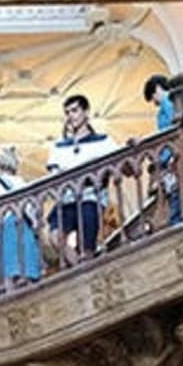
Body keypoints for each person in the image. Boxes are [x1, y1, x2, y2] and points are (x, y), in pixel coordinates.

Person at [44, 95, 119, 265]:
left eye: (75, 110)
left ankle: (85, 265)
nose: (71, 115)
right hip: (66, 199)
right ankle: (81, 268)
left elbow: (119, 165)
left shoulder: (104, 141)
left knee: (87, 245)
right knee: (55, 237)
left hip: (90, 197)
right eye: (67, 112)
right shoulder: (59, 147)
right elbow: (54, 176)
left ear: (86, 112)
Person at [0, 146, 41, 291]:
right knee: (23, 273)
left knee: (5, 275)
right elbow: (30, 211)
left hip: (5, 229)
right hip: (23, 227)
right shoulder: (22, 182)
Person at [142, 76, 183, 225]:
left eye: (153, 96)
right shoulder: (167, 104)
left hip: (171, 154)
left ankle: (176, 219)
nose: (154, 101)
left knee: (174, 190)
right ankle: (176, 218)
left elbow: (170, 127)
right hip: (169, 154)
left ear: (158, 88)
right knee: (173, 190)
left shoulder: (167, 102)